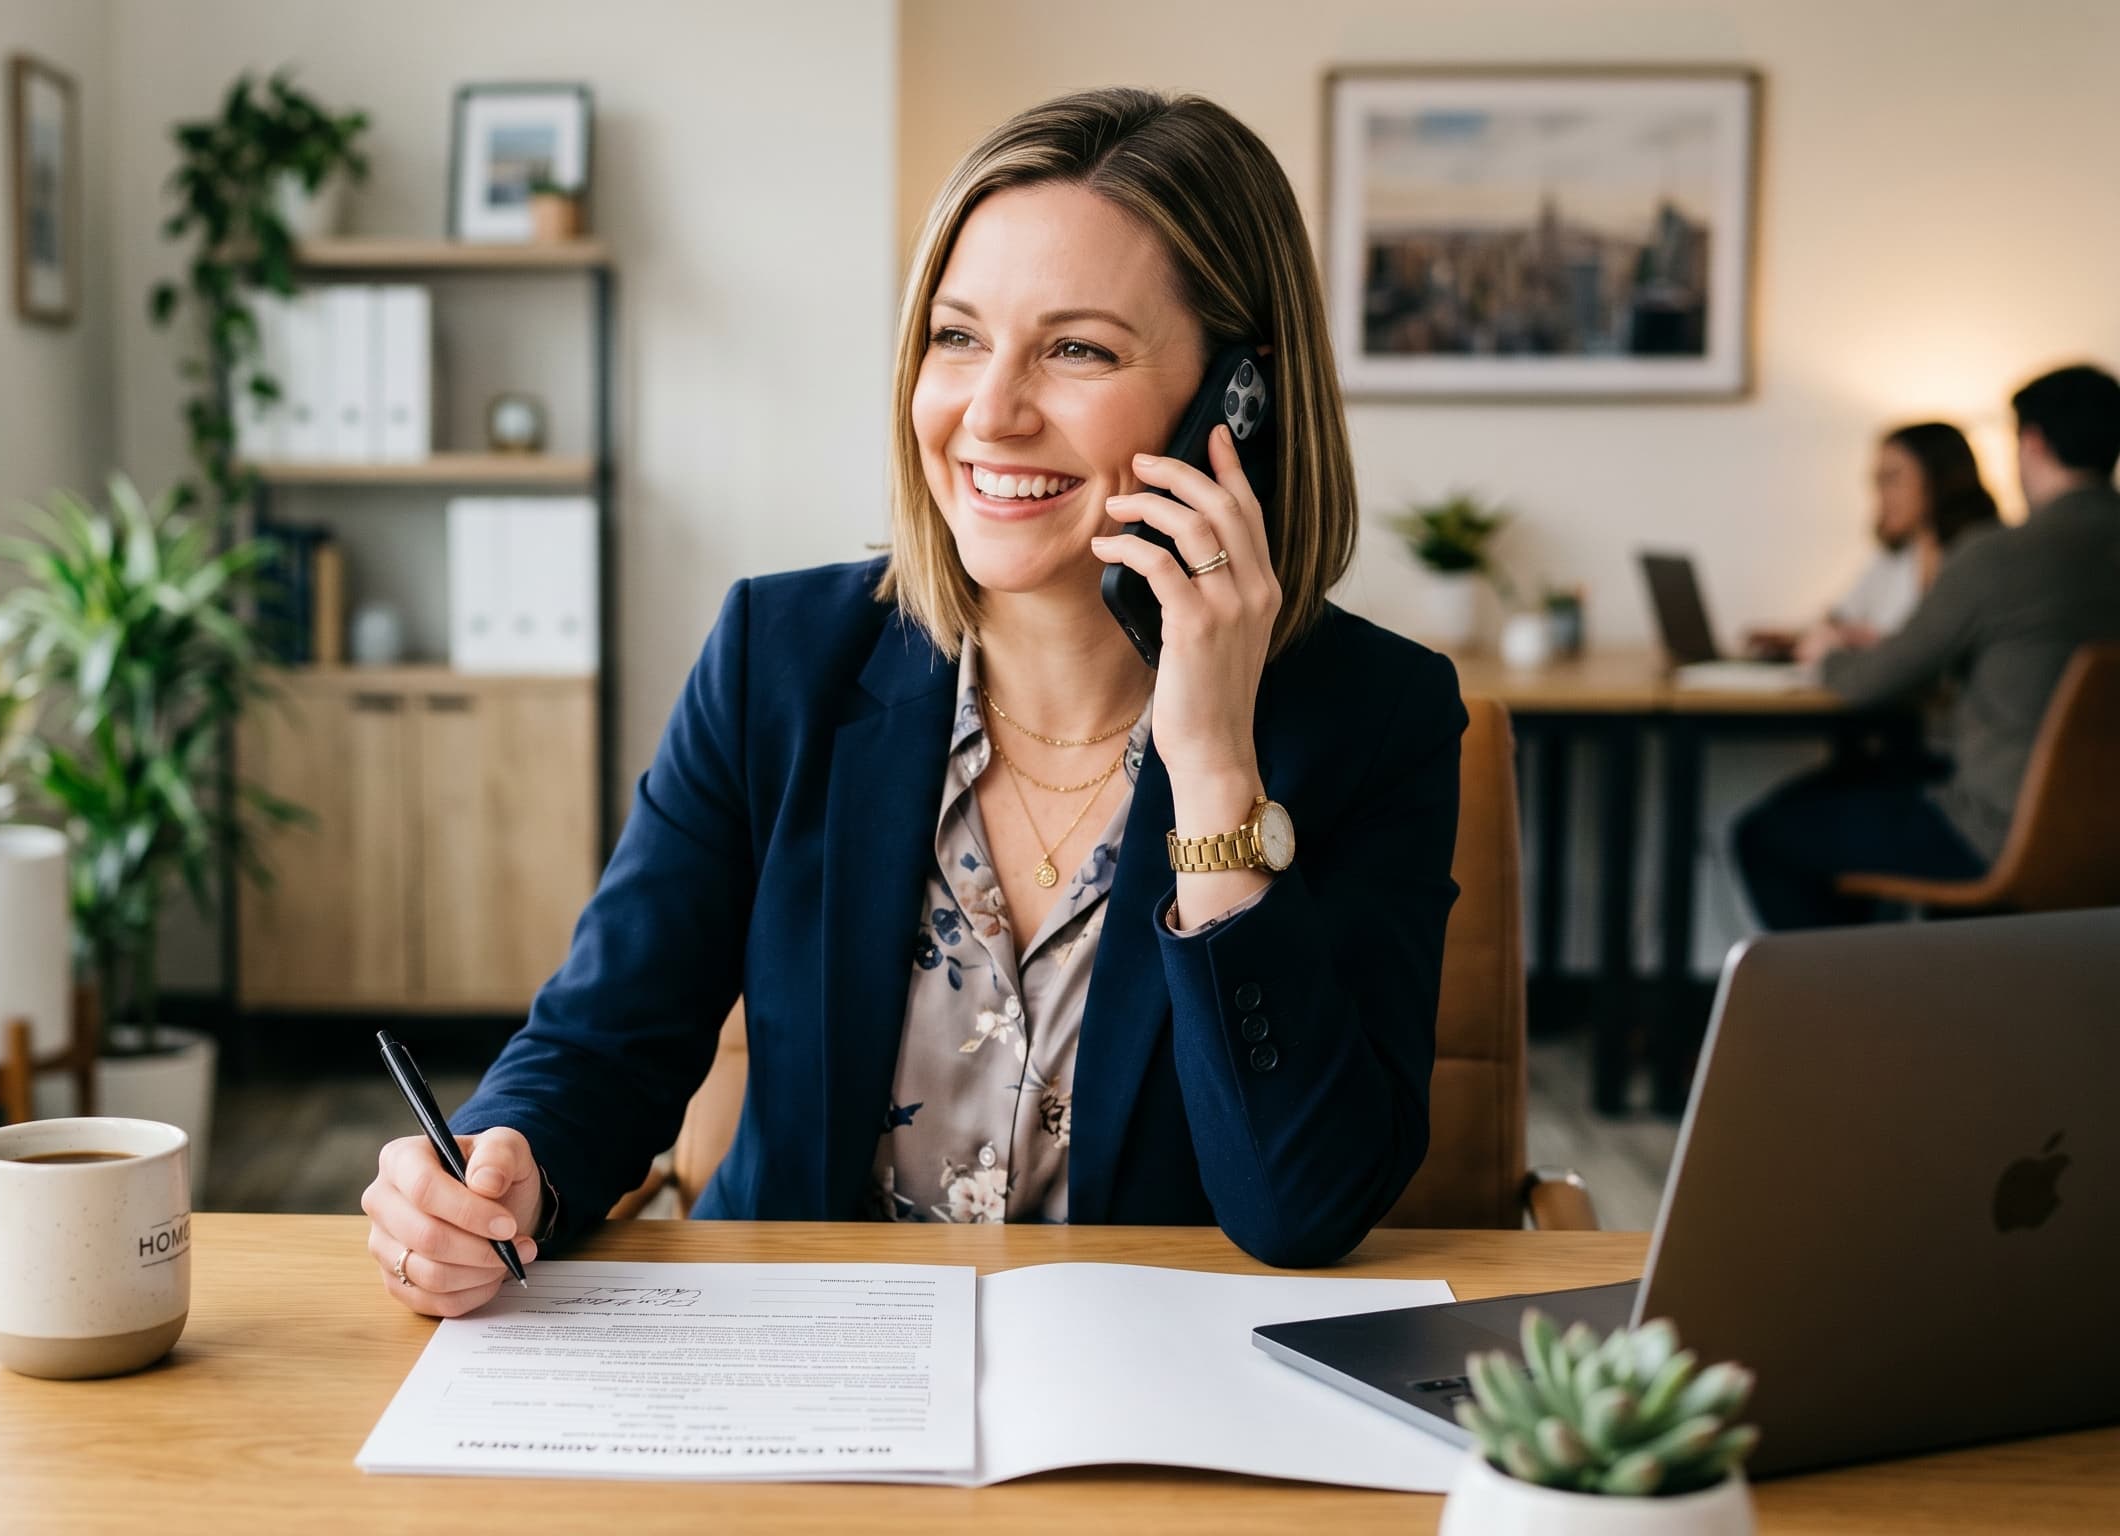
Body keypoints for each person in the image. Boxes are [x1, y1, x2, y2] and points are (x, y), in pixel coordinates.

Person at [360, 87, 1469, 1316]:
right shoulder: (778, 658)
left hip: (1140, 1413)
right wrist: (504, 1170)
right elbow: (600, 1044)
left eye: (1077, 348)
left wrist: (1211, 762)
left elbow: (1301, 1208)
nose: (989, 412)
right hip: (799, 1377)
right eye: (956, 337)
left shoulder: (1378, 719)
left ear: (1234, 402)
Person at [1735, 364, 2120, 930]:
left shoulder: (1998, 556)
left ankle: (1853, 1011)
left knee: (1766, 835)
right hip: (2101, 833)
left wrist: (1828, 656)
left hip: (1995, 831)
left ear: (2032, 443)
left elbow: (1871, 684)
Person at [1747, 422, 2002, 660]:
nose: (1881, 495)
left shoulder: (1984, 555)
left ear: (1939, 475)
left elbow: (1940, 648)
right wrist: (1795, 638)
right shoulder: (1894, 557)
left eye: (1891, 478)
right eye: (1876, 482)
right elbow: (1839, 618)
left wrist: (1869, 641)